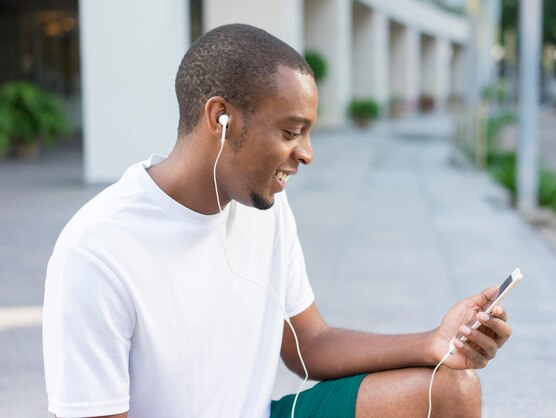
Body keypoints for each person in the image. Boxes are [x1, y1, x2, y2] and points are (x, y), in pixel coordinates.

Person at [42, 23, 512, 418]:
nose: (306, 154)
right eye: (291, 132)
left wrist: (435, 343)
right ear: (220, 117)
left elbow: (311, 344)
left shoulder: (262, 207)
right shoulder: (97, 249)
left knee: (452, 389)